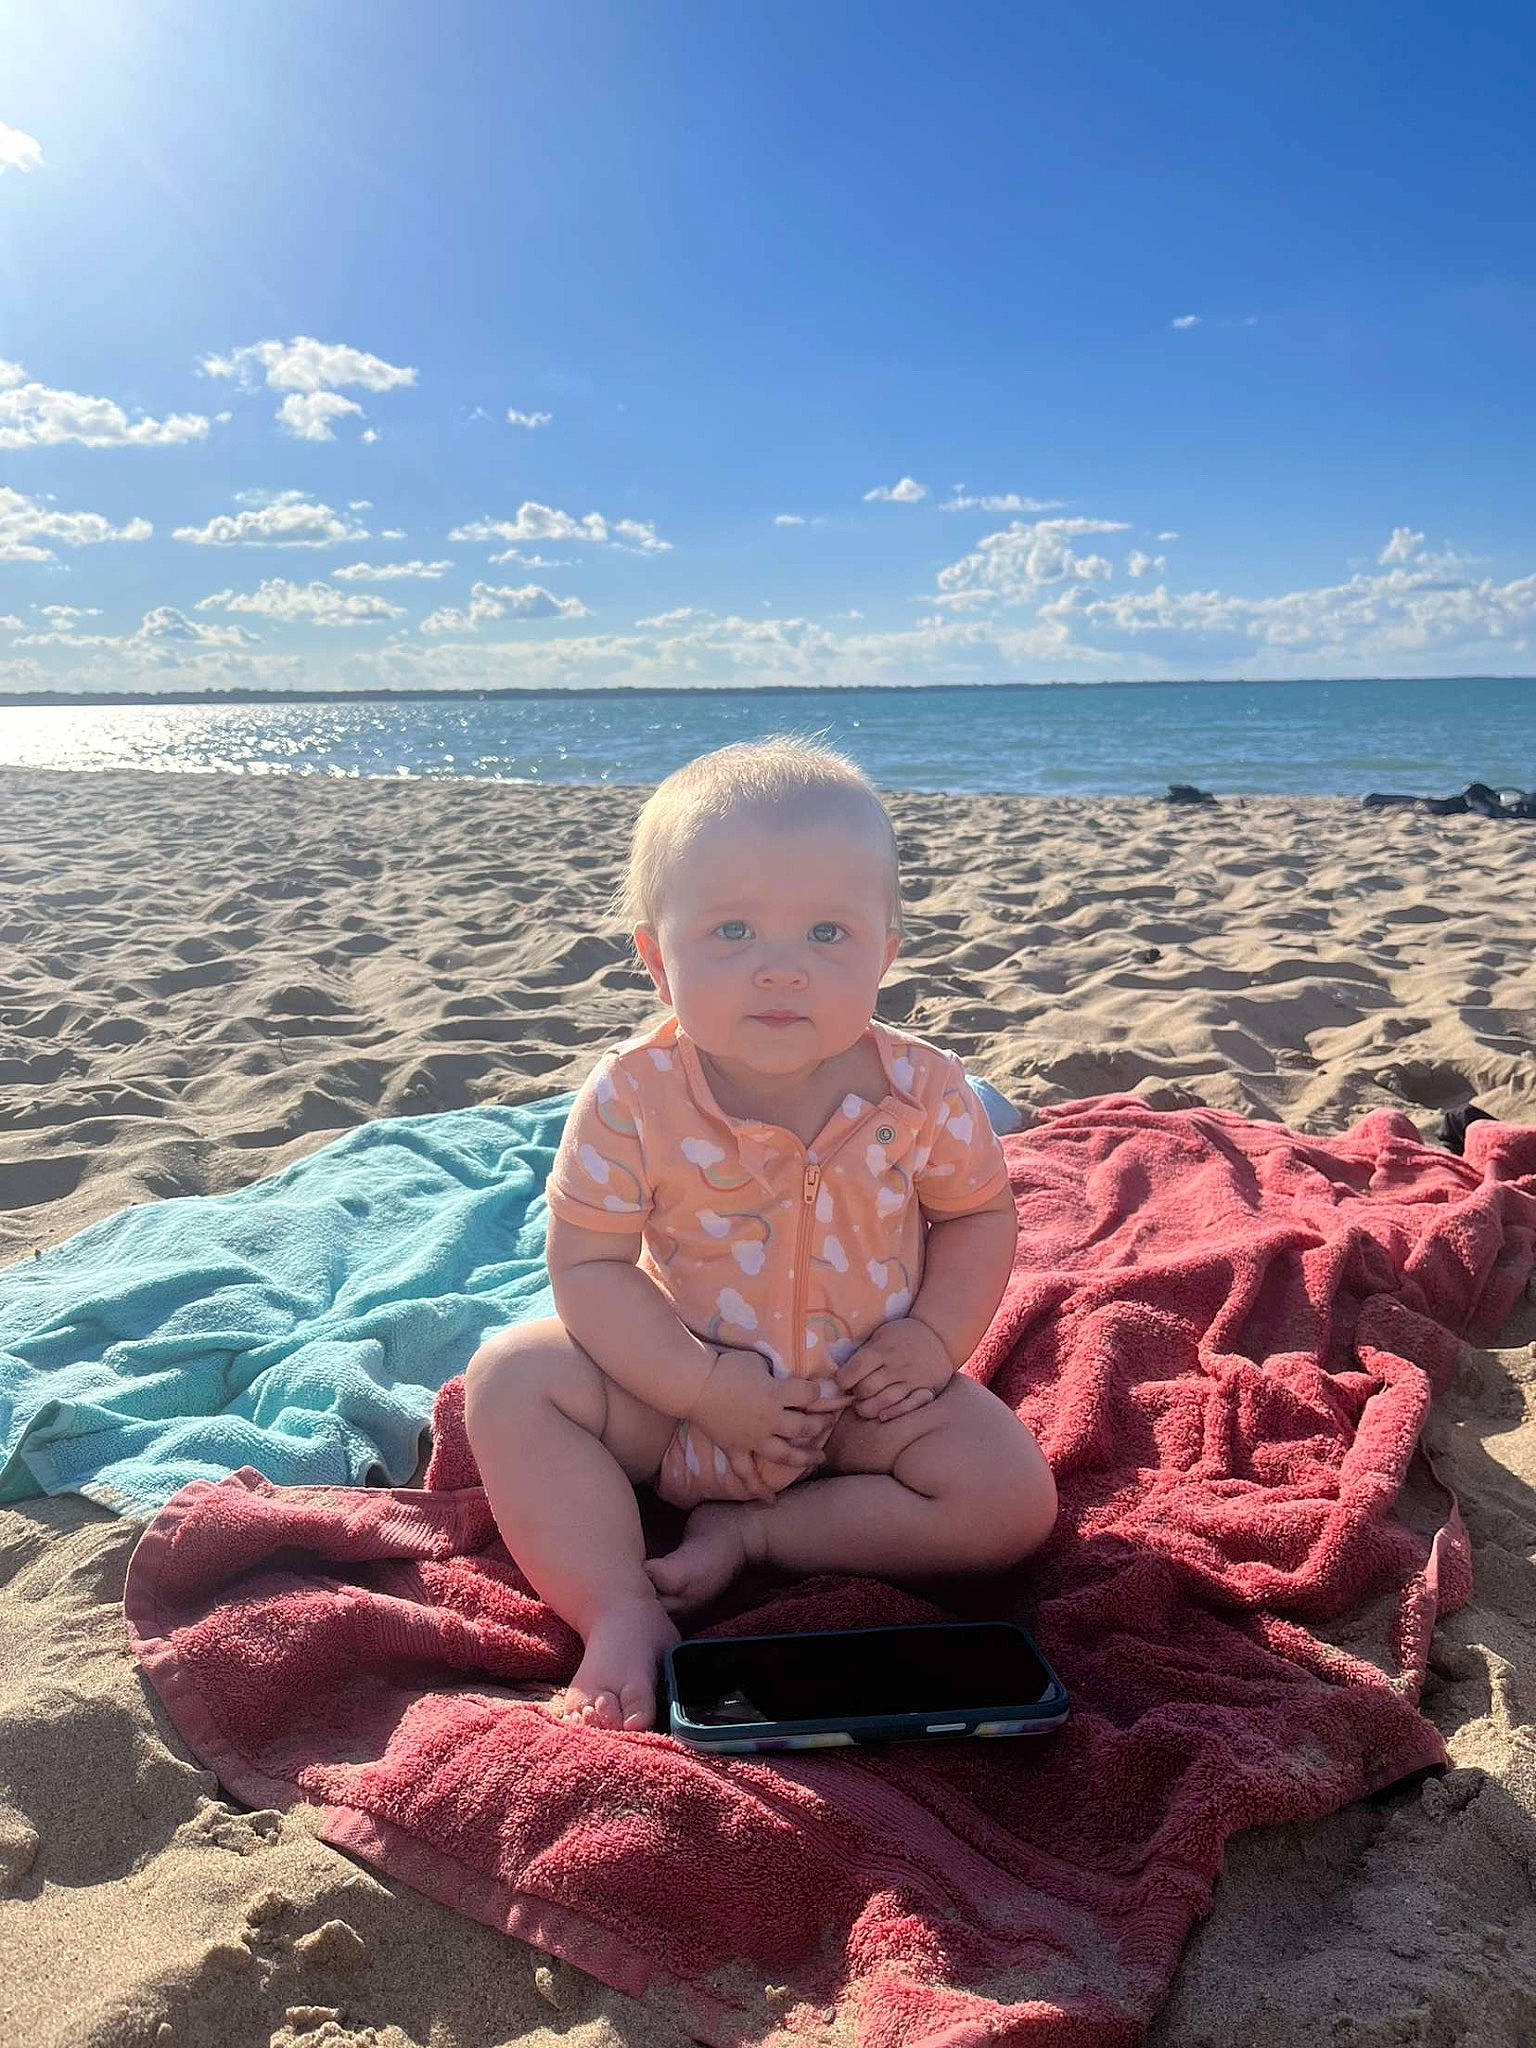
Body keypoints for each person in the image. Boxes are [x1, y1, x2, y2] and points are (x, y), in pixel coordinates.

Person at [464, 737, 1057, 1732]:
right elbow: (590, 1264)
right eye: (733, 929)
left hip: (863, 1397)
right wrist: (698, 1386)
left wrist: (932, 1341)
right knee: (511, 1378)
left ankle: (765, 1533)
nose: (782, 969)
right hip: (671, 1398)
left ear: (885, 953)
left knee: (1013, 1500)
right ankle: (617, 1606)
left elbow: (976, 1215)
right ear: (658, 958)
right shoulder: (631, 1096)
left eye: (828, 933)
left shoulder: (923, 1091)